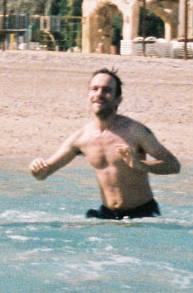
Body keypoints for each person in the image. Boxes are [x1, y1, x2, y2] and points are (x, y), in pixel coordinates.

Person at [30, 68, 180, 219]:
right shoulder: (81, 138)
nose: (99, 94)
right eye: (94, 89)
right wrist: (36, 168)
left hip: (142, 214)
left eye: (106, 90)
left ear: (118, 99)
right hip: (107, 215)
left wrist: (141, 165)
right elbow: (45, 172)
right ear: (89, 95)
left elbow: (174, 165)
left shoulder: (136, 131)